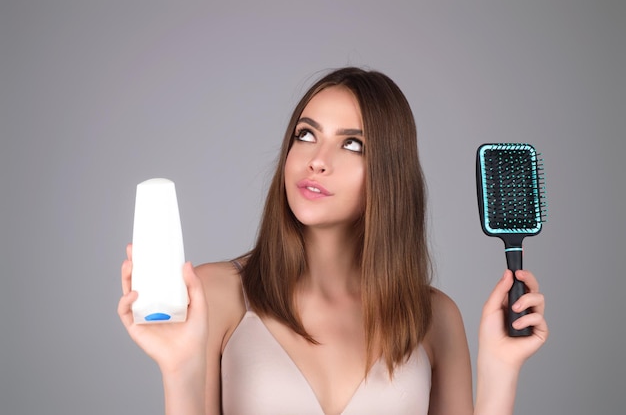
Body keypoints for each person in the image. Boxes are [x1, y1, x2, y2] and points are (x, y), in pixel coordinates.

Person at [118, 67, 548, 415]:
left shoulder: (435, 319)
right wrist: (177, 370)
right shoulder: (216, 293)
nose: (317, 161)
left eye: (353, 144)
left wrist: (500, 370)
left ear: (390, 176)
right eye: (306, 135)